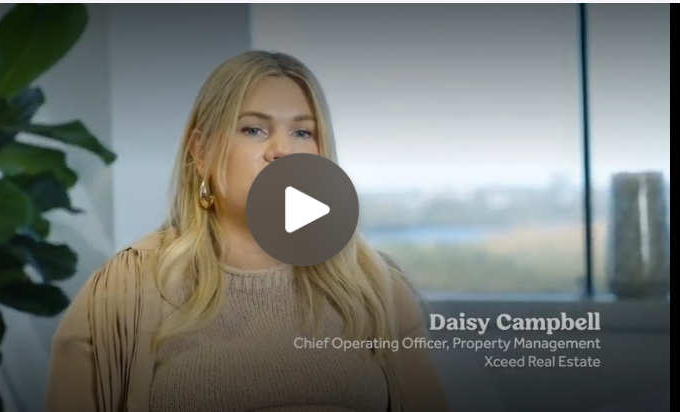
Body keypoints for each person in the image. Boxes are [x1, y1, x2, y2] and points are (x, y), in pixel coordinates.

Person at [45, 50, 450, 412]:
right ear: (201, 151)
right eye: (254, 129)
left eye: (302, 132)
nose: (281, 151)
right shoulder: (126, 289)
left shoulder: (376, 285)